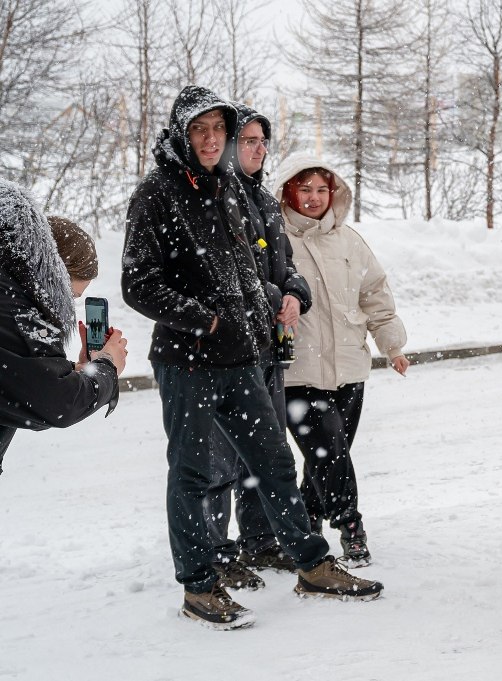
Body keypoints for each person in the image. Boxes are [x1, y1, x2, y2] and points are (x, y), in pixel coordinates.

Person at [122, 85, 382, 630]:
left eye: (219, 129)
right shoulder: (157, 194)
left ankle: (311, 565)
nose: (212, 140)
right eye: (201, 130)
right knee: (193, 474)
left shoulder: (231, 191)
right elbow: (137, 284)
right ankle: (198, 587)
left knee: (274, 464)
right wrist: (208, 320)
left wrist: (264, 310)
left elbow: (251, 270)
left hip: (243, 358)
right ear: (182, 135)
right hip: (189, 360)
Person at [271, 154, 409, 568]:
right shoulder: (274, 238)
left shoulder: (349, 241)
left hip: (349, 366)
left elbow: (376, 296)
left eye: (321, 189)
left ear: (334, 194)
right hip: (297, 370)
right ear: (287, 191)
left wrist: (393, 347)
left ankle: (311, 516)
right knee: (328, 450)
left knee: (331, 451)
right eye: (304, 189)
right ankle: (351, 527)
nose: (313, 198)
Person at [202, 103, 313, 589]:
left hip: (269, 347)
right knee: (220, 458)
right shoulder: (217, 195)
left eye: (262, 141)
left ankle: (262, 541)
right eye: (248, 140)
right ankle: (218, 552)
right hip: (231, 346)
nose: (258, 148)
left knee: (266, 453)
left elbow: (283, 264)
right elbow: (233, 270)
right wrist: (274, 297)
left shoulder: (264, 201)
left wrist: (295, 294)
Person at [0, 182, 127, 475]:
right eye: (69, 295)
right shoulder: (16, 307)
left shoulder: (9, 286)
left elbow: (16, 372)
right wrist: (107, 366)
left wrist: (75, 370)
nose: (65, 306)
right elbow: (57, 404)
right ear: (52, 276)